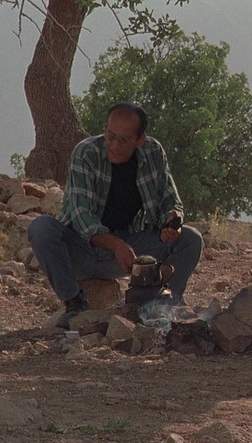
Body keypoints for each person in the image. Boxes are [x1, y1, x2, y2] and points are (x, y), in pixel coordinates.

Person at [27, 102, 204, 328]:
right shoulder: (86, 152)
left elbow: (170, 200)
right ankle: (74, 304)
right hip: (82, 248)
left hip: (129, 250)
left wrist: (171, 222)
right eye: (110, 136)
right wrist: (115, 245)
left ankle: (159, 307)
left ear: (140, 139)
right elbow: (80, 214)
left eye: (124, 140)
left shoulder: (153, 153)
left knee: (190, 239)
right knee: (41, 228)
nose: (114, 145)